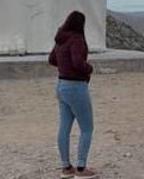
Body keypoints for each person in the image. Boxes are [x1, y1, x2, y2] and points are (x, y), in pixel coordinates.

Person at [48, 11, 98, 178]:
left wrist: (64, 66)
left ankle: (66, 167)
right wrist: (89, 68)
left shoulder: (61, 38)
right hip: (76, 86)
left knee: (64, 127)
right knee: (87, 128)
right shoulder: (76, 39)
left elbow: (52, 59)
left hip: (61, 85)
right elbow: (78, 62)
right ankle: (82, 168)